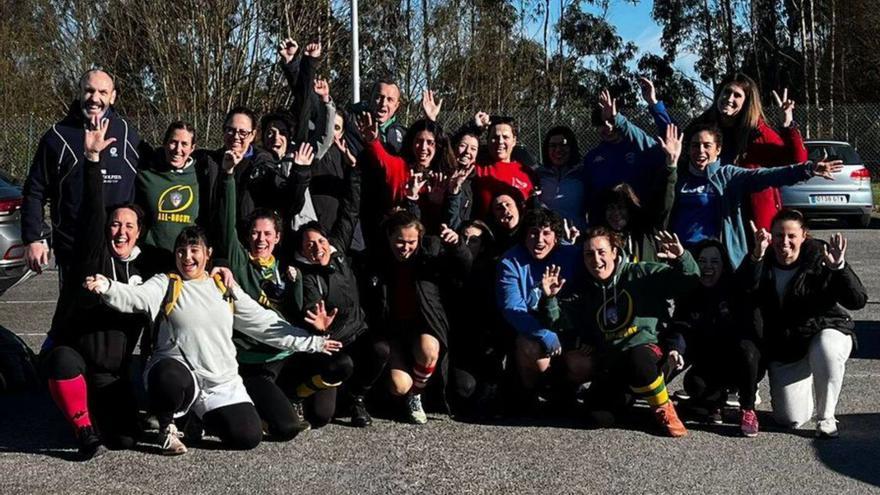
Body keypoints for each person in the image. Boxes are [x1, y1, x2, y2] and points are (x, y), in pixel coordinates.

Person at [83, 226, 342, 454]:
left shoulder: (222, 287)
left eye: (194, 250)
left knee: (248, 437)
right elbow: (136, 296)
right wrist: (108, 286)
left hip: (220, 381)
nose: (187, 257)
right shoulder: (167, 283)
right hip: (179, 372)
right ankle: (167, 426)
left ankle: (199, 418)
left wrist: (313, 342)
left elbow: (264, 323)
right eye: (181, 251)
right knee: (168, 378)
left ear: (208, 254)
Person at [40, 117, 151, 459]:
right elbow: (91, 213)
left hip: (109, 372)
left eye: (129, 225)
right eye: (115, 224)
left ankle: (94, 405)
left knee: (126, 439)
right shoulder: (94, 255)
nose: (120, 231)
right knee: (60, 361)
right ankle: (83, 429)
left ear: (139, 231)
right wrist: (92, 162)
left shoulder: (147, 267)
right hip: (78, 357)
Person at [542, 227, 698, 437]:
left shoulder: (640, 274)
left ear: (615, 252)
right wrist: (550, 298)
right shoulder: (586, 290)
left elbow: (688, 281)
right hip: (613, 363)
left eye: (601, 252)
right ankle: (638, 395)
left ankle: (663, 407)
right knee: (596, 417)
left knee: (638, 359)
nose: (596, 259)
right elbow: (561, 324)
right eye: (589, 254)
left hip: (647, 353)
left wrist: (682, 258)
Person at [740, 209, 867, 438]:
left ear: (803, 236)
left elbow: (857, 300)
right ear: (771, 236)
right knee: (790, 419)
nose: (784, 242)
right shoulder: (763, 258)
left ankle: (826, 417)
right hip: (789, 345)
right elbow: (741, 293)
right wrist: (756, 258)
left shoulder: (821, 257)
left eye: (791, 236)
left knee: (826, 348)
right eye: (779, 235)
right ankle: (805, 380)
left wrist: (839, 268)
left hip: (825, 330)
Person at [292, 163, 391, 428]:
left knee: (380, 349)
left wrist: (356, 171)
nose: (318, 248)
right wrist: (320, 327)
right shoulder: (307, 275)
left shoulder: (338, 253)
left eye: (321, 242)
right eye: (310, 245)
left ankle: (358, 397)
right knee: (322, 416)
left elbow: (350, 211)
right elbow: (311, 305)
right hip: (330, 343)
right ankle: (297, 394)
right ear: (303, 250)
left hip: (356, 331)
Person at [663, 123, 843, 268]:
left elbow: (769, 175)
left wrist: (808, 168)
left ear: (718, 150)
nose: (700, 151)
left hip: (720, 256)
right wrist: (655, 104)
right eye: (695, 145)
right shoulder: (678, 177)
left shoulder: (729, 176)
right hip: (684, 253)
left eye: (707, 145)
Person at [22, 69, 141, 279]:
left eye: (103, 92)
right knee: (75, 311)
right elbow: (35, 191)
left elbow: (156, 171)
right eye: (89, 91)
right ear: (79, 93)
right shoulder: (57, 137)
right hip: (74, 251)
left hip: (117, 249)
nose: (95, 98)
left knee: (118, 311)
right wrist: (33, 238)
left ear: (112, 97)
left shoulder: (127, 134)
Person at [375, 211, 472, 424]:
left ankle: (416, 395)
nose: (406, 247)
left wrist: (457, 246)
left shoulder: (429, 255)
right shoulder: (377, 259)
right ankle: (397, 394)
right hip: (392, 332)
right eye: (400, 241)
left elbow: (464, 269)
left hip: (422, 327)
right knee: (399, 385)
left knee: (429, 349)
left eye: (411, 241)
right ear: (389, 236)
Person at [687, 74, 807, 230]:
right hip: (710, 218)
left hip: (754, 221)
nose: (729, 98)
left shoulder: (759, 133)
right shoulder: (701, 128)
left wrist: (787, 124)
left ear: (747, 102)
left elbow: (797, 161)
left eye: (737, 95)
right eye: (727, 92)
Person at [496, 208, 587, 411]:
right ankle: (530, 395)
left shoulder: (571, 256)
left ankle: (565, 392)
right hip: (531, 330)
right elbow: (512, 308)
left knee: (582, 363)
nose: (539, 239)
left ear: (556, 237)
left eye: (546, 233)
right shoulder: (510, 261)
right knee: (530, 348)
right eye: (533, 232)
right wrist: (544, 333)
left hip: (567, 327)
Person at [672, 239, 763, 437]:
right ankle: (714, 405)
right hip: (708, 364)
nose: (708, 267)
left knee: (748, 350)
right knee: (694, 385)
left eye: (714, 262)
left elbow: (750, 276)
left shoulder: (735, 288)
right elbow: (681, 327)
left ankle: (747, 409)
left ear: (724, 265)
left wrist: (756, 255)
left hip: (738, 361)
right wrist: (675, 350)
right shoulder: (690, 293)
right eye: (702, 261)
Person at [581, 89, 670, 226]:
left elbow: (671, 137)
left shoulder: (641, 146)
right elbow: (589, 198)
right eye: (602, 124)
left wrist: (654, 104)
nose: (608, 128)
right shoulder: (592, 158)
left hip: (640, 225)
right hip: (606, 230)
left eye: (611, 122)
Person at [134, 121, 208, 269]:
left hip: (187, 263)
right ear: (164, 143)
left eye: (184, 144)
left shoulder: (202, 175)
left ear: (192, 148)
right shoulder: (145, 173)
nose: (178, 149)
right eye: (173, 142)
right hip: (150, 260)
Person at [536, 126, 586, 230]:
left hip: (576, 237)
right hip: (546, 238)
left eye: (563, 145)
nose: (558, 150)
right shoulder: (538, 174)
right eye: (553, 146)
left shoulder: (583, 173)